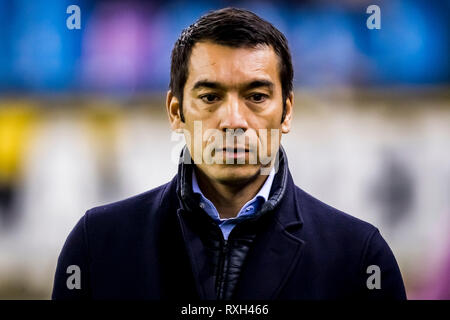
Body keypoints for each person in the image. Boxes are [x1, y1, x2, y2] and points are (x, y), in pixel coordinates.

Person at [52, 7, 406, 300]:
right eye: (210, 98)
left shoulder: (359, 259)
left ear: (287, 112)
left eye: (256, 97)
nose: (234, 120)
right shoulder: (96, 246)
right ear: (176, 112)